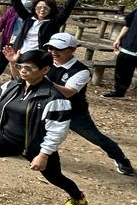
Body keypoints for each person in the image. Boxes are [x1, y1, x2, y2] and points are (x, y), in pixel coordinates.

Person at [0, 49, 87, 205]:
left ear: (45, 70)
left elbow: (57, 131)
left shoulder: (54, 98)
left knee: (54, 177)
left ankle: (78, 196)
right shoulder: (10, 87)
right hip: (7, 138)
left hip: (36, 145)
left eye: (29, 68)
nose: (23, 71)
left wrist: (43, 155)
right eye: (21, 66)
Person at [42, 33, 133, 175]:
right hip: (47, 107)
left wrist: (46, 81)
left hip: (73, 112)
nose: (53, 52)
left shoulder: (81, 71)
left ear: (72, 49)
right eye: (50, 48)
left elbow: (69, 92)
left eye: (58, 49)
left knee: (97, 138)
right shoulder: (45, 61)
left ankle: (121, 159)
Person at [8, 0, 84, 52]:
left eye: (46, 8)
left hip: (40, 55)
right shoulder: (28, 18)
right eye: (39, 7)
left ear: (51, 9)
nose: (42, 10)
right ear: (34, 8)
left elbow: (67, 8)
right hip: (20, 52)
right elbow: (17, 3)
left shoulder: (54, 22)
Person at [0, 0, 38, 86]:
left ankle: (15, 79)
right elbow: (3, 21)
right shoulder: (13, 9)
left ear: (34, 1)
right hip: (8, 38)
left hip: (23, 41)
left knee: (19, 60)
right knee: (2, 58)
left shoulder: (35, 14)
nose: (26, 1)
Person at [103, 6, 137, 99]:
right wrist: (118, 39)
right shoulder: (136, 11)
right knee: (121, 70)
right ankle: (119, 92)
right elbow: (127, 25)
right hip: (128, 45)